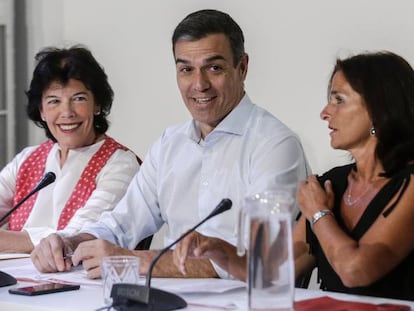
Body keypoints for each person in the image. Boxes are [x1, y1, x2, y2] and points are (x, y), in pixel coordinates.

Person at [31, 9, 309, 279]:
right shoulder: (169, 144)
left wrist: (131, 260)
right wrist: (70, 243)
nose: (199, 84)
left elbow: (257, 261)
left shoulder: (275, 145)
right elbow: (119, 225)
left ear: (243, 67)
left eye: (214, 68)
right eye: (186, 69)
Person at [293, 51, 414, 301]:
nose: (325, 112)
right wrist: (221, 254)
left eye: (339, 100)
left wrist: (319, 213)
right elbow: (276, 271)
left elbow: (356, 271)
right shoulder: (331, 183)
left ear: (377, 109)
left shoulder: (410, 183)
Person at [0, 46, 140, 254]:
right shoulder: (27, 159)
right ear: (41, 111)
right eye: (54, 101)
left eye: (78, 99)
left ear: (97, 104)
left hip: (80, 281)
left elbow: (80, 237)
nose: (67, 112)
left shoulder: (120, 163)